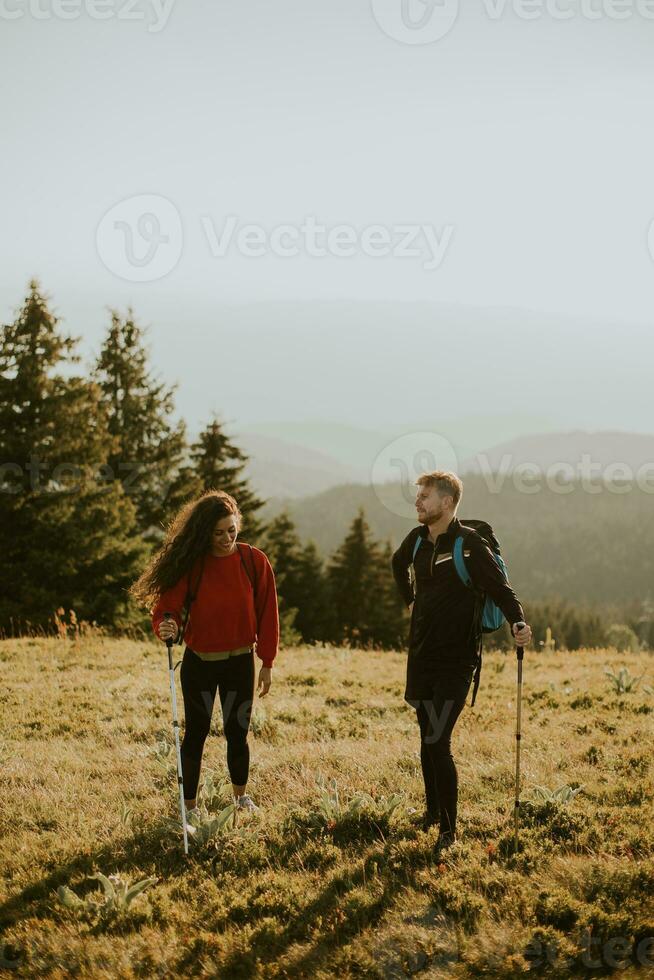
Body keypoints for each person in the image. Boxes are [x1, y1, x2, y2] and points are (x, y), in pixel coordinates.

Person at [391, 471, 531, 851]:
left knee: (438, 740)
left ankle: (449, 832)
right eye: (418, 496)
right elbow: (396, 563)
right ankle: (432, 812)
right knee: (425, 736)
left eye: (425, 496)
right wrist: (411, 601)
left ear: (447, 502)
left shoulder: (470, 546)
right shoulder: (417, 540)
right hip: (421, 655)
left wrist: (517, 622)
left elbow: (502, 591)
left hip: (457, 660)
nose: (418, 502)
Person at [130, 489, 279, 826]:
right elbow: (167, 608)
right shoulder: (191, 566)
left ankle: (241, 798)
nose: (226, 538)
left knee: (237, 732)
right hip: (198, 664)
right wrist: (166, 625)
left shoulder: (254, 561)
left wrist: (267, 662)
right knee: (195, 733)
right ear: (203, 533)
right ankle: (190, 806)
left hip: (240, 663)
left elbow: (268, 614)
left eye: (232, 530)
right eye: (217, 532)